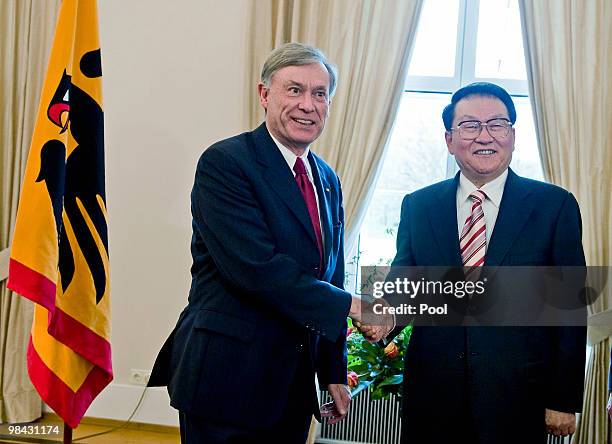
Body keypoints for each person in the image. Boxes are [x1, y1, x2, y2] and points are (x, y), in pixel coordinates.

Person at [148, 43, 388, 443]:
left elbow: (331, 274)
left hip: (292, 386)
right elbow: (257, 269)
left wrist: (331, 370)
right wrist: (355, 307)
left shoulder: (326, 179)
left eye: (319, 94)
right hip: (227, 381)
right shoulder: (226, 163)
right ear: (264, 95)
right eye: (294, 90)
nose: (307, 105)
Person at [359, 82, 586, 443]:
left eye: (497, 124)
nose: (485, 136)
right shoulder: (419, 206)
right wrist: (381, 316)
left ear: (512, 135)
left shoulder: (554, 207)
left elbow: (569, 311)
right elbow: (407, 287)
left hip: (517, 397)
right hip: (433, 397)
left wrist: (563, 398)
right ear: (449, 140)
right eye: (470, 126)